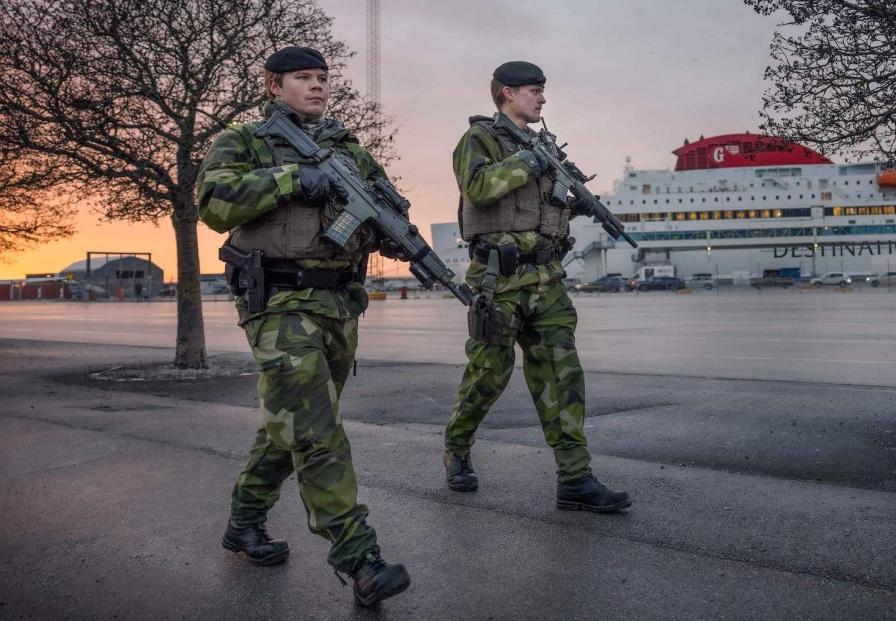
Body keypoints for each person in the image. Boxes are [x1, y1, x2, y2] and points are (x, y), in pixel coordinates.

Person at [195, 46, 410, 607]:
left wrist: (393, 227)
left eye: (322, 78)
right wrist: (292, 178)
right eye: (302, 78)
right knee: (316, 429)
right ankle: (360, 558)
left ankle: (244, 521)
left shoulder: (351, 150)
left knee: (288, 425)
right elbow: (215, 203)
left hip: (339, 305)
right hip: (280, 304)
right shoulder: (243, 141)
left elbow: (386, 215)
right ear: (274, 85)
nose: (316, 86)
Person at [443, 60, 631, 513]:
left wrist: (573, 207)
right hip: (498, 280)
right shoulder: (479, 139)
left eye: (543, 91)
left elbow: (539, 205)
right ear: (507, 93)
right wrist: (531, 159)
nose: (542, 99)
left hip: (548, 280)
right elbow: (480, 188)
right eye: (534, 91)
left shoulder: (541, 145)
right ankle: (457, 444)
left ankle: (575, 478)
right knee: (489, 373)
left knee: (562, 376)